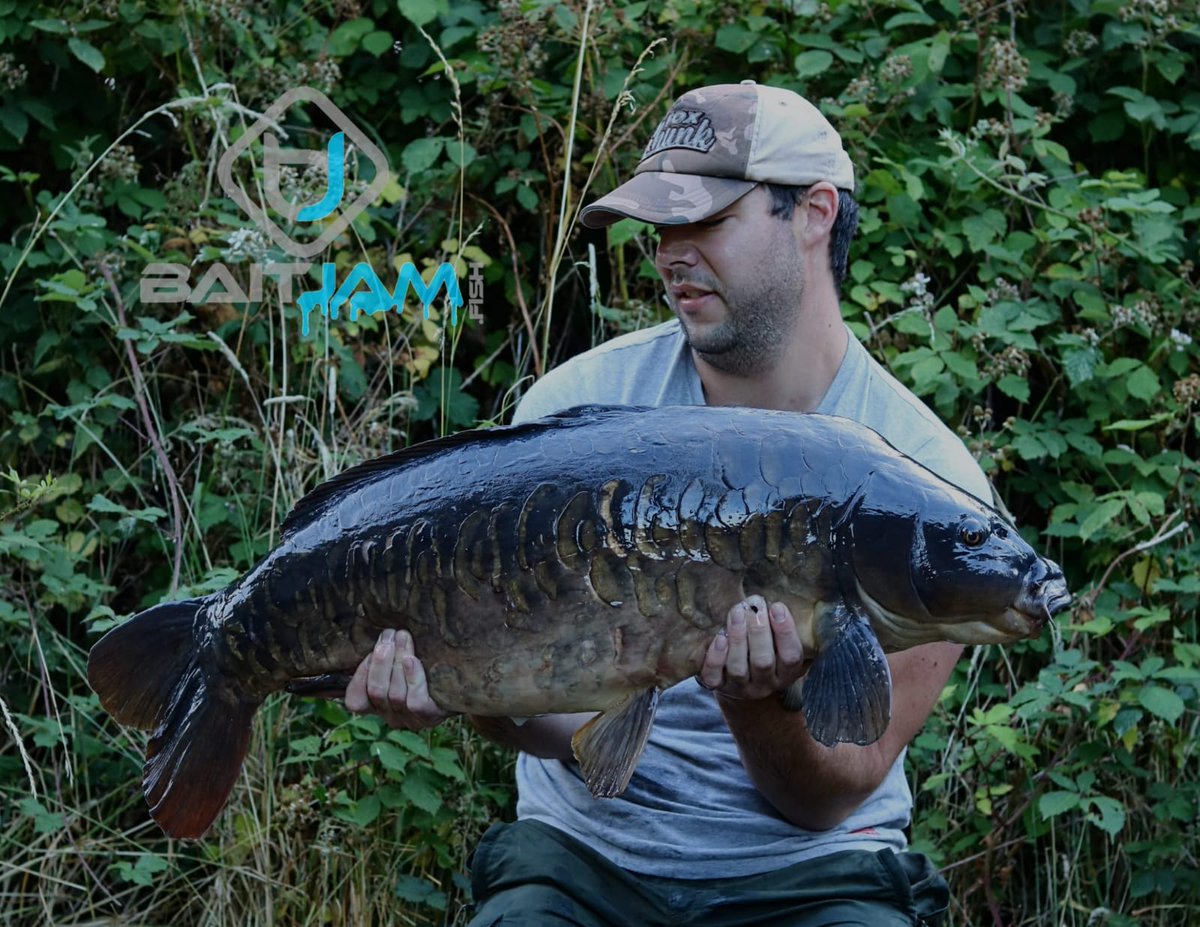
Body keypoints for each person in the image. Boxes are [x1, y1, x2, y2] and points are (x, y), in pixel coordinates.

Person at [345, 81, 989, 925]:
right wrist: (466, 690)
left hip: (814, 870)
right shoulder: (576, 409)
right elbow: (557, 725)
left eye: (707, 221)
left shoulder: (929, 490)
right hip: (586, 857)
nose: (671, 254)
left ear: (815, 213)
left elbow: (830, 795)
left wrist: (754, 701)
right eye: (661, 228)